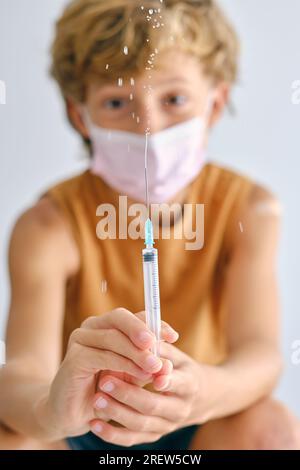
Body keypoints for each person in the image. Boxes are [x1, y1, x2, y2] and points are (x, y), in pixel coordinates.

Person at [0, 0, 299, 450]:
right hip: (80, 426)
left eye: (174, 99)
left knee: (271, 429)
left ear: (215, 102)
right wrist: (51, 410)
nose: (147, 129)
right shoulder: (48, 227)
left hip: (197, 422)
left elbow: (260, 356)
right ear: (80, 116)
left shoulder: (248, 211)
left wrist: (201, 393)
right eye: (117, 102)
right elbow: (20, 373)